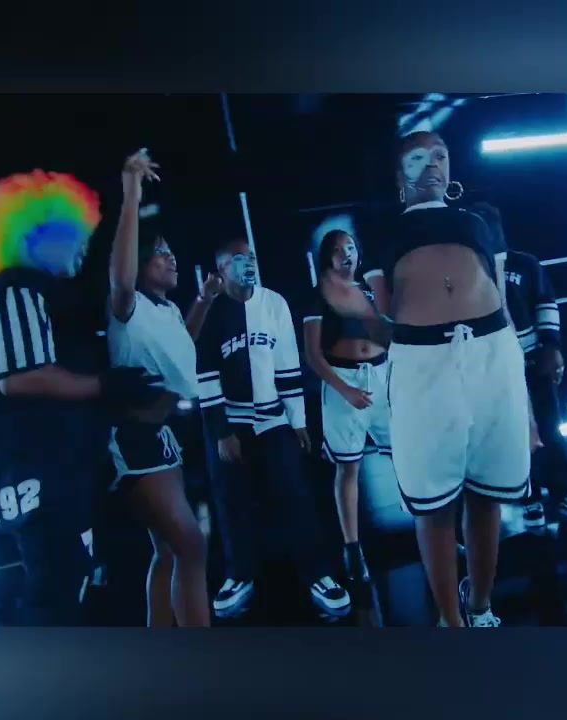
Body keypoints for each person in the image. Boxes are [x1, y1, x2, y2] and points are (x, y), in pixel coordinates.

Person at [321, 131, 535, 627]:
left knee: (487, 493)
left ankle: (480, 605)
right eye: (418, 158)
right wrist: (358, 309)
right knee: (434, 503)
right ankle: (449, 621)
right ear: (401, 176)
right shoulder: (382, 231)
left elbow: (504, 307)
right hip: (421, 364)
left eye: (440, 155)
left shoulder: (478, 221)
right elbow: (385, 328)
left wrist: (526, 411)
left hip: (492, 355)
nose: (432, 164)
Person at [0, 169, 165, 625]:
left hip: (58, 467)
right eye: (73, 235)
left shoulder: (46, 295)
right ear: (35, 238)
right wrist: (105, 385)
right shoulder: (13, 288)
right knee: (56, 586)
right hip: (34, 469)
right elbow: (19, 377)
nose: (83, 245)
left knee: (73, 580)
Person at [195, 237, 352, 620]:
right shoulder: (212, 311)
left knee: (296, 495)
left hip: (273, 418)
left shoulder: (274, 303)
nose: (248, 263)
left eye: (251, 256)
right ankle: (239, 576)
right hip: (231, 420)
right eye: (238, 259)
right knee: (231, 500)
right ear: (221, 270)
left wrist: (297, 420)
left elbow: (287, 364)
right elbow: (205, 373)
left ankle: (318, 575)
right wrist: (221, 432)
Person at [105, 149, 210, 627]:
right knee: (191, 545)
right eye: (161, 252)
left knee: (169, 550)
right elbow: (121, 278)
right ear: (142, 262)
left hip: (159, 434)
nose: (172, 258)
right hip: (134, 438)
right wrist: (131, 191)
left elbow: (181, 350)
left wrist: (204, 301)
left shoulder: (164, 311)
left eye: (172, 251)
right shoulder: (127, 309)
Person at [471, 203, 567, 529]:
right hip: (494, 367)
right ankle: (528, 497)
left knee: (550, 428)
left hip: (531, 359)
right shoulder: (467, 271)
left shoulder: (525, 263)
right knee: (511, 434)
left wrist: (552, 346)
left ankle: (565, 493)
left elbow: (546, 303)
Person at [302, 229, 390, 584]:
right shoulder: (319, 295)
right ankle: (352, 549)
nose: (345, 254)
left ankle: (431, 530)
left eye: (350, 247)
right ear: (327, 257)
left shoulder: (371, 290)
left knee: (408, 456)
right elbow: (313, 355)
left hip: (382, 376)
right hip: (342, 380)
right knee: (348, 466)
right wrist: (346, 390)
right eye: (337, 250)